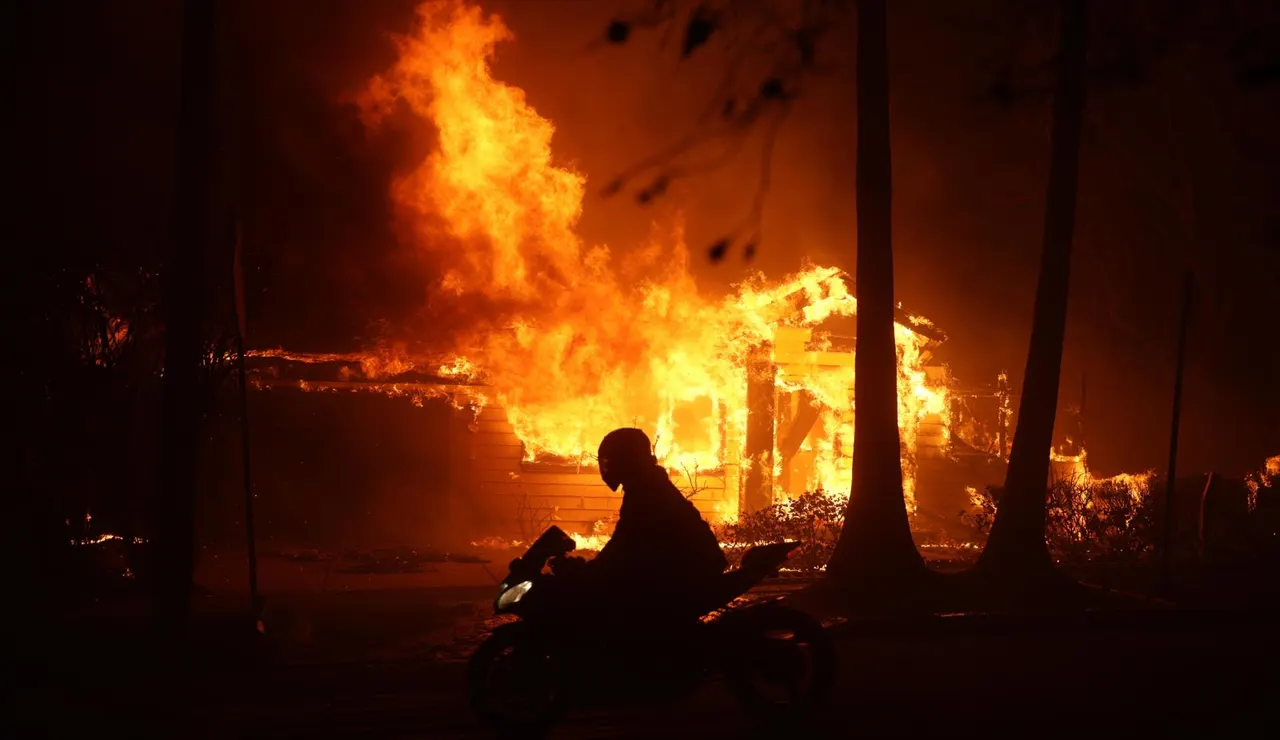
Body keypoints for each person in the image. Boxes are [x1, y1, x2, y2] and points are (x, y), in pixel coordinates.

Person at [548, 428, 728, 625]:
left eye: (610, 460)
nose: (606, 467)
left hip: (682, 581)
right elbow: (626, 545)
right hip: (681, 574)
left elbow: (623, 547)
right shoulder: (646, 486)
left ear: (625, 460)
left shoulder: (647, 493)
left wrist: (587, 572)